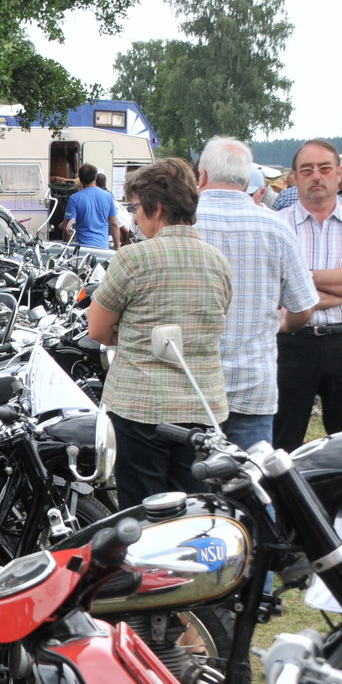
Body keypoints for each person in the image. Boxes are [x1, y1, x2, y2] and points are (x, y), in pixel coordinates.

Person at [87, 158, 231, 508]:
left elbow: (97, 328)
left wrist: (133, 333)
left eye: (136, 207)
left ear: (158, 207)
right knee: (194, 509)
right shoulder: (218, 262)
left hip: (141, 406)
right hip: (201, 404)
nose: (134, 217)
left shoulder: (133, 258)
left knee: (144, 510)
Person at [195, 137, 317, 450]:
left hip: (191, 387)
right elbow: (303, 306)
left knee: (189, 494)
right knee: (251, 489)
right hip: (252, 386)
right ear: (248, 180)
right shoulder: (276, 227)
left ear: (203, 176)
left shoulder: (182, 223)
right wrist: (284, 324)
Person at [273, 139, 342, 453]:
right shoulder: (276, 226)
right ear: (295, 177)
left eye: (324, 168)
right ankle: (281, 504)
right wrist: (340, 289)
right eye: (306, 170)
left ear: (338, 175)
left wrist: (301, 280)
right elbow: (274, 291)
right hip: (291, 345)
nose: (315, 176)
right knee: (281, 444)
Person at [64, 163, 119, 250]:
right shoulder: (108, 196)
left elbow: (68, 227)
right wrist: (117, 246)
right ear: (95, 178)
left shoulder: (74, 198)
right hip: (103, 248)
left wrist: (66, 248)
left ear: (80, 180)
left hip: (83, 249)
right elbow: (114, 224)